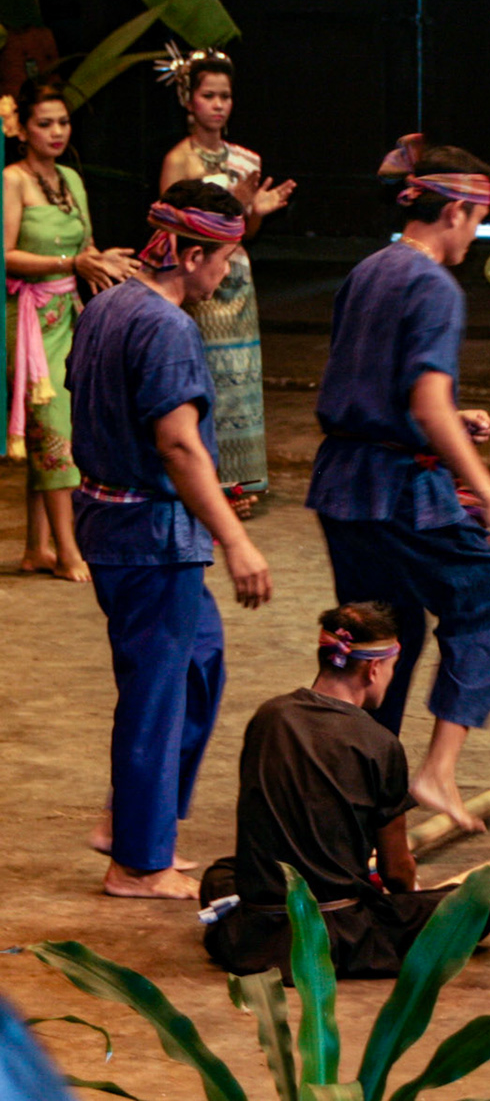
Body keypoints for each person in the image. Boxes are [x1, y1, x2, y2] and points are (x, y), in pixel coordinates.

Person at [307, 136, 490, 834]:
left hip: (345, 483)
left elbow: (375, 383)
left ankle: (346, 800)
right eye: (477, 219)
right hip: (394, 490)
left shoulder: (371, 269)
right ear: (456, 213)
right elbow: (424, 404)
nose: (476, 233)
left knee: (384, 640)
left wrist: (446, 417)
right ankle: (438, 769)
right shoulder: (434, 286)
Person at [67, 180, 272, 899]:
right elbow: (179, 445)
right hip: (148, 532)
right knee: (155, 689)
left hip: (112, 520)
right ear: (187, 254)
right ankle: (138, 861)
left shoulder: (108, 305)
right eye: (220, 259)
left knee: (197, 662)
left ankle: (131, 817)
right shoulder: (166, 327)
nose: (225, 273)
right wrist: (236, 542)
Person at [200, 602, 489, 978]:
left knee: (222, 874)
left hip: (257, 932)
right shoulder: (378, 743)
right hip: (335, 934)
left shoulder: (268, 717)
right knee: (475, 908)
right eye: (391, 669)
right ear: (373, 669)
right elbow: (396, 872)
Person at [4, 81, 138, 580]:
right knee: (53, 429)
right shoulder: (11, 180)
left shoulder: (70, 179)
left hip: (70, 312)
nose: (57, 132)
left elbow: (88, 243)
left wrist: (102, 261)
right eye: (45, 123)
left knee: (58, 429)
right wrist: (70, 261)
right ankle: (68, 551)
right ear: (22, 128)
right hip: (29, 318)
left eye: (63, 122)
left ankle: (36, 546)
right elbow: (5, 253)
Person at [156, 45, 295, 506]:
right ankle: (206, 484)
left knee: (241, 377)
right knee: (208, 375)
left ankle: (240, 480)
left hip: (236, 274)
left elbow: (245, 232)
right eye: (209, 95)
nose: (218, 104)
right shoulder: (179, 160)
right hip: (199, 279)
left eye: (225, 96)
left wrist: (254, 210)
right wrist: (235, 203)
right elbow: (170, 227)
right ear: (189, 101)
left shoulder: (246, 159)